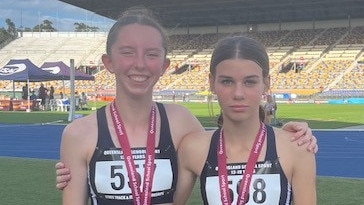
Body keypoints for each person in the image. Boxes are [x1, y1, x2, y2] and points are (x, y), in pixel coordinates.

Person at [57, 8, 317, 205]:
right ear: (108, 62)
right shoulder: (78, 135)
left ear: (164, 65)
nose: (238, 93)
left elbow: (231, 141)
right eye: (127, 52)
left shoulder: (182, 124)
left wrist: (296, 133)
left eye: (151, 54)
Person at [174, 36, 316, 205]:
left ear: (266, 83)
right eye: (227, 81)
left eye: (249, 82)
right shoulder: (193, 148)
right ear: (212, 83)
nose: (238, 94)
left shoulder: (297, 148)